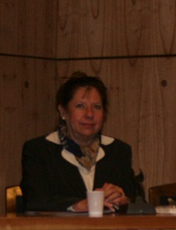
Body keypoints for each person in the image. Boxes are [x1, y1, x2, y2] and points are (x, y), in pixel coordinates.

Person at [21, 71, 136, 212]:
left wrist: (124, 201)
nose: (90, 114)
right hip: (58, 226)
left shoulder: (118, 150)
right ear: (63, 111)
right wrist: (78, 205)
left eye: (97, 107)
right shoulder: (39, 150)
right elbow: (35, 201)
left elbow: (138, 200)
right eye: (80, 106)